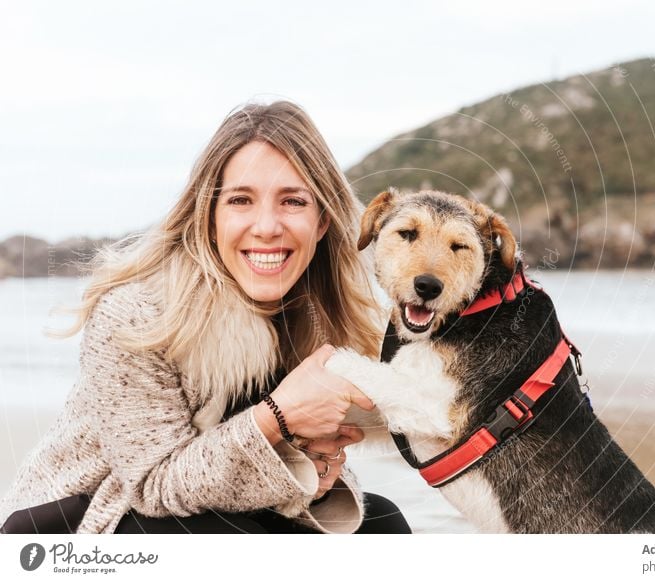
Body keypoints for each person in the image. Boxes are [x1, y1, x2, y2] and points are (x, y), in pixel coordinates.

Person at [0, 101, 411, 534]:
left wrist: (314, 473)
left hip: (207, 508)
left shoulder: (313, 316)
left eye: (292, 201)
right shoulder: (138, 314)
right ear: (209, 217)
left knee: (382, 524)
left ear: (322, 221)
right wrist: (279, 415)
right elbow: (156, 487)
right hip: (79, 525)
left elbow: (268, 472)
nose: (267, 226)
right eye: (240, 200)